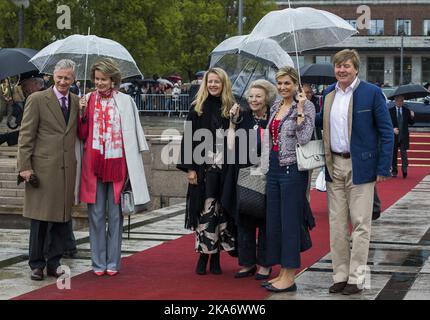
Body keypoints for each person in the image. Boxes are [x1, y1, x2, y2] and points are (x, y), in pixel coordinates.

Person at [316, 49, 393, 295]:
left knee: (361, 224)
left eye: (346, 66)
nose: (341, 70)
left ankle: (357, 278)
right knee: (337, 224)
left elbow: (386, 131)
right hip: (333, 165)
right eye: (338, 66)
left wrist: (383, 167)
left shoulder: (371, 93)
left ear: (356, 68)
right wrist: (303, 108)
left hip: (361, 167)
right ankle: (340, 275)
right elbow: (320, 122)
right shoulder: (328, 93)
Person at [78, 58, 150, 276]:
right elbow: (82, 135)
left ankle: (113, 262)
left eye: (104, 79)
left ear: (113, 80)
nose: (99, 83)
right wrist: (81, 115)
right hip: (93, 165)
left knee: (115, 215)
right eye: (96, 79)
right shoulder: (87, 99)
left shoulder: (126, 101)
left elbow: (134, 133)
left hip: (118, 164)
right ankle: (98, 262)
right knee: (96, 214)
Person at [17, 59, 80, 281]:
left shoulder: (76, 101)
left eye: (67, 78)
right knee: (40, 219)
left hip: (66, 170)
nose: (63, 81)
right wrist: (24, 167)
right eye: (59, 77)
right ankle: (36, 264)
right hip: (42, 170)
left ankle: (54, 262)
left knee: (62, 220)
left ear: (74, 79)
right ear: (52, 76)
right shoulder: (37, 99)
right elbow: (26, 135)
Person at [260, 66, 316, 293]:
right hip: (273, 167)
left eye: (287, 83)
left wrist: (301, 109)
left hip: (293, 169)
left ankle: (290, 275)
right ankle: (283, 271)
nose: (283, 87)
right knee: (275, 222)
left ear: (296, 85)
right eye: (279, 83)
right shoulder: (275, 105)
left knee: (290, 222)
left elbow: (304, 138)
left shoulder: (306, 105)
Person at [177, 67, 236, 275]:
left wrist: (233, 120)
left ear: (224, 84)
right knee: (204, 212)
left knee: (221, 213)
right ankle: (203, 256)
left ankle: (217, 258)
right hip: (203, 171)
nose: (213, 85)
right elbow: (187, 140)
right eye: (210, 81)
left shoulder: (232, 107)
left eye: (217, 82)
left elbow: (236, 141)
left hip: (225, 170)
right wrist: (190, 169)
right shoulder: (197, 108)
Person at [228, 80, 276, 280]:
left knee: (265, 221)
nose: (254, 100)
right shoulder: (242, 116)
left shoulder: (273, 117)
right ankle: (247, 263)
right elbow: (230, 145)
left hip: (267, 173)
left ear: (267, 98)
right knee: (245, 218)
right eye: (251, 96)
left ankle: (265, 264)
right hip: (244, 173)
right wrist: (231, 121)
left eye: (258, 96)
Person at [0, 74, 45, 146]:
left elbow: (35, 131)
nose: (23, 89)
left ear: (35, 83)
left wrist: (6, 137)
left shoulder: (41, 99)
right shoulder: (37, 98)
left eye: (24, 85)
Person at [389, 95, 415, 178]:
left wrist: (412, 116)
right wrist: (392, 129)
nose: (399, 102)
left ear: (403, 101)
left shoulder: (406, 110)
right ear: (395, 101)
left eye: (401, 101)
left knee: (404, 154)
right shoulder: (390, 111)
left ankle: (404, 169)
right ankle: (394, 171)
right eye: (398, 101)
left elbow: (411, 123)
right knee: (394, 154)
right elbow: (387, 123)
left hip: (403, 136)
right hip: (394, 136)